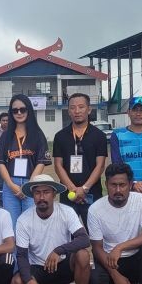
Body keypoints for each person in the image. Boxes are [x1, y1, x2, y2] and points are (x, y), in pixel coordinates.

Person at [9, 175, 92, 284]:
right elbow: (21, 255)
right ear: (32, 196)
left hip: (63, 265)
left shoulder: (66, 212)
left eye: (46, 192)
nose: (42, 197)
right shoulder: (24, 220)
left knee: (83, 255)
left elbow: (84, 239)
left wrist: (59, 250)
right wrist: (28, 280)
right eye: (37, 193)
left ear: (54, 194)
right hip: (39, 268)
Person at [0, 94, 51, 229]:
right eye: (15, 110)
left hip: (31, 184)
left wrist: (30, 185)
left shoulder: (38, 134)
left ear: (29, 110)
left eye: (23, 109)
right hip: (10, 185)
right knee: (12, 226)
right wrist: (10, 184)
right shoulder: (5, 135)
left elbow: (41, 161)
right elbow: (0, 162)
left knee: (31, 225)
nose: (19, 113)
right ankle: (14, 251)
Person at [54, 93, 108, 226]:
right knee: (67, 235)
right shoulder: (60, 136)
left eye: (81, 107)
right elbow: (58, 166)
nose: (77, 111)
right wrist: (73, 189)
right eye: (72, 108)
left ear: (89, 109)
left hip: (92, 193)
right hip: (68, 194)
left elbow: (100, 165)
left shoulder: (99, 136)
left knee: (95, 234)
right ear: (68, 111)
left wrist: (84, 189)